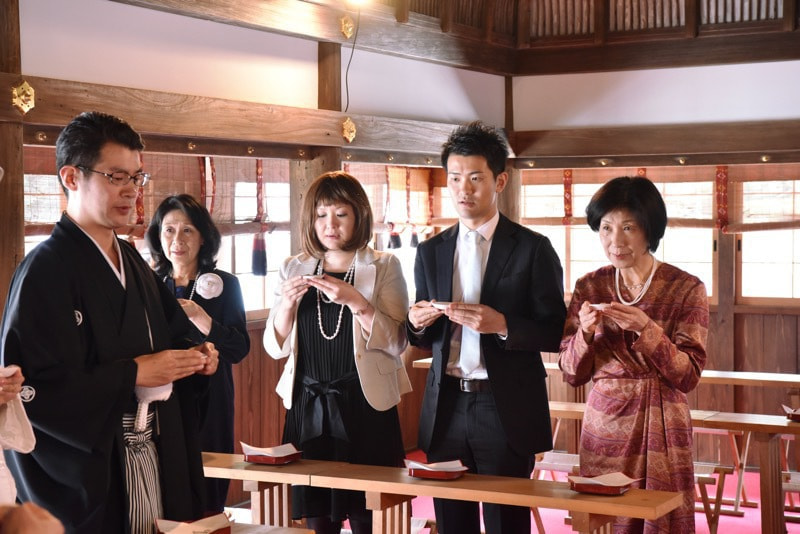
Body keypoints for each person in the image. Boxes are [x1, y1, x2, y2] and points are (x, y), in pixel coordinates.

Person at [0, 111, 219, 534]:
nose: (131, 191)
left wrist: (197, 359)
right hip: (93, 471)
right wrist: (132, 373)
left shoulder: (132, 259)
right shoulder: (44, 270)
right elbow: (31, 390)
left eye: (136, 177)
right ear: (71, 177)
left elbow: (173, 335)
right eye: (116, 177)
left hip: (155, 450)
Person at [406, 121, 567, 534]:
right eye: (454, 178)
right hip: (446, 405)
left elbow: (556, 332)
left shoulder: (533, 248)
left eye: (475, 178)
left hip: (504, 406)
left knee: (506, 524)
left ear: (499, 181)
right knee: (452, 523)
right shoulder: (430, 251)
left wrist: (503, 325)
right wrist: (416, 323)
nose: (464, 189)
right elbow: (424, 338)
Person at [263, 171, 411, 534]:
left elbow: (398, 341)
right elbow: (273, 347)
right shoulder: (293, 266)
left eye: (341, 214)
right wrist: (286, 306)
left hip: (365, 405)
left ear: (359, 215)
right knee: (317, 517)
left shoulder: (384, 265)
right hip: (307, 403)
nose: (330, 225)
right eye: (321, 215)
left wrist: (357, 302)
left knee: (366, 516)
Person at [558, 176, 708, 533]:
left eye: (629, 227)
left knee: (660, 517)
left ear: (649, 229)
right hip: (604, 425)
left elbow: (688, 376)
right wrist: (585, 333)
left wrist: (646, 329)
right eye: (606, 228)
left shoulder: (686, 287)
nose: (616, 241)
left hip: (662, 422)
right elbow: (570, 372)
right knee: (604, 517)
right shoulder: (589, 286)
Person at [146, 194, 250, 514]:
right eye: (169, 230)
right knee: (166, 491)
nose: (177, 240)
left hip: (211, 400)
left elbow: (238, 348)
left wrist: (200, 316)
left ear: (203, 237)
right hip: (161, 397)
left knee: (208, 490)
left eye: (187, 230)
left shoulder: (225, 284)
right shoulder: (149, 284)